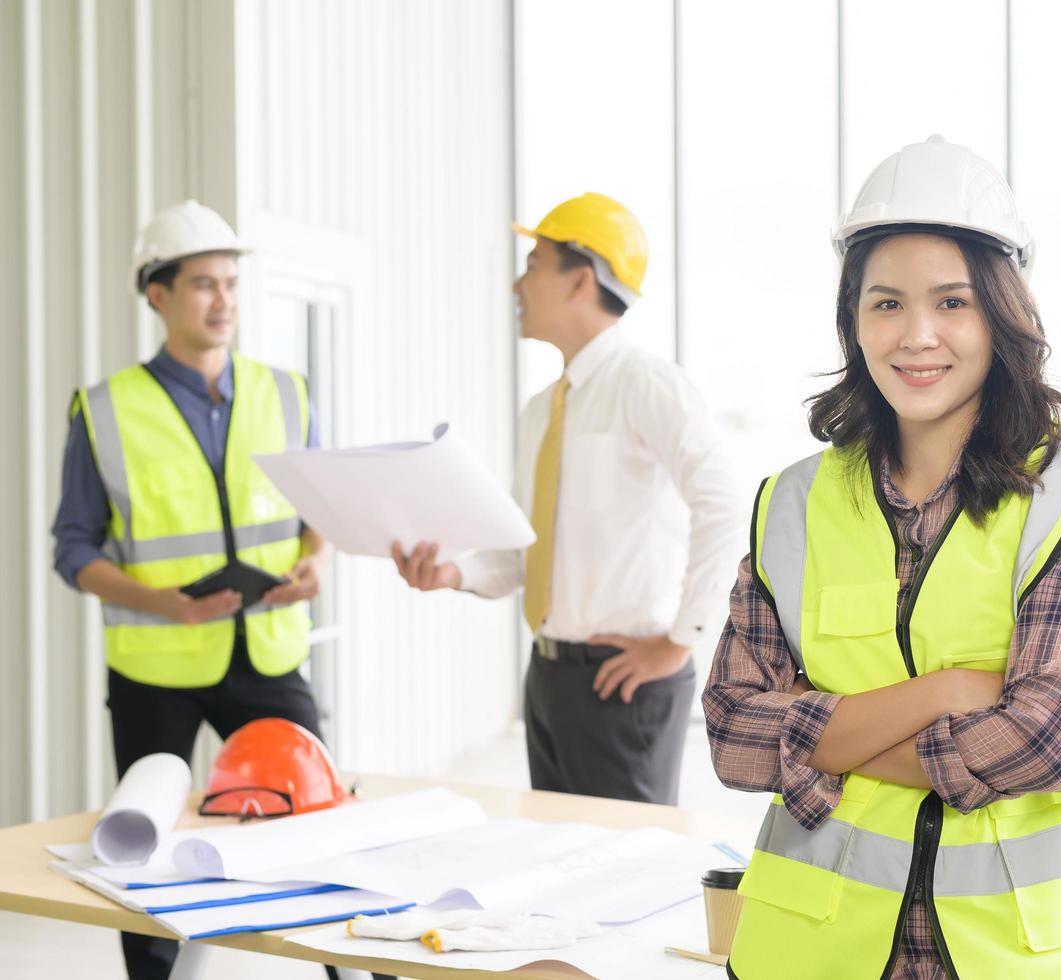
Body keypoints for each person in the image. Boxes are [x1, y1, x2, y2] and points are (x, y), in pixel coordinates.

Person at [702, 136, 1061, 979]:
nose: (917, 335)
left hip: (1016, 959)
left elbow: (1049, 738)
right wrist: (948, 694)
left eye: (951, 302)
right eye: (885, 304)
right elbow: (733, 735)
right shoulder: (795, 505)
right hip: (813, 955)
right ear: (852, 319)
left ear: (1002, 312)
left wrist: (822, 736)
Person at [50, 200, 355, 980]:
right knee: (141, 849)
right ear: (156, 294)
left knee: (321, 832)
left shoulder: (286, 392)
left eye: (231, 284)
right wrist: (169, 604)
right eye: (201, 285)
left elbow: (319, 506)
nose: (223, 302)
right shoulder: (105, 409)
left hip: (269, 652)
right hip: (157, 669)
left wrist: (313, 561)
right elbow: (73, 547)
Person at [394, 193, 745, 805]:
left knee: (623, 874)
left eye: (533, 265)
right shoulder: (541, 411)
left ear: (581, 279)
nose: (516, 284)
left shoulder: (648, 386)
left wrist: (681, 639)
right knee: (558, 866)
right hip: (550, 678)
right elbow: (521, 547)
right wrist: (451, 572)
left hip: (623, 681)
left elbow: (723, 505)